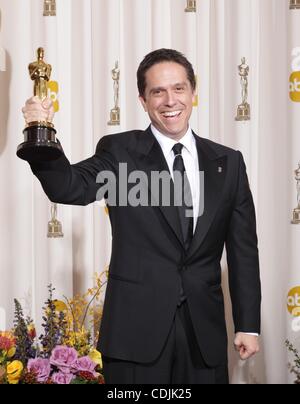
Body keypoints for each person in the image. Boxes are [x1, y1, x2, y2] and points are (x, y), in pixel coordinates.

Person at [21, 48, 261, 384]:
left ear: (193, 92)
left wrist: (248, 324)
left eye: (178, 88)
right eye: (157, 92)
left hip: (203, 336)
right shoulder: (120, 152)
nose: (169, 100)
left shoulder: (229, 162)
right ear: (142, 100)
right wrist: (39, 132)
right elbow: (68, 187)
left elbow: (243, 251)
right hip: (135, 335)